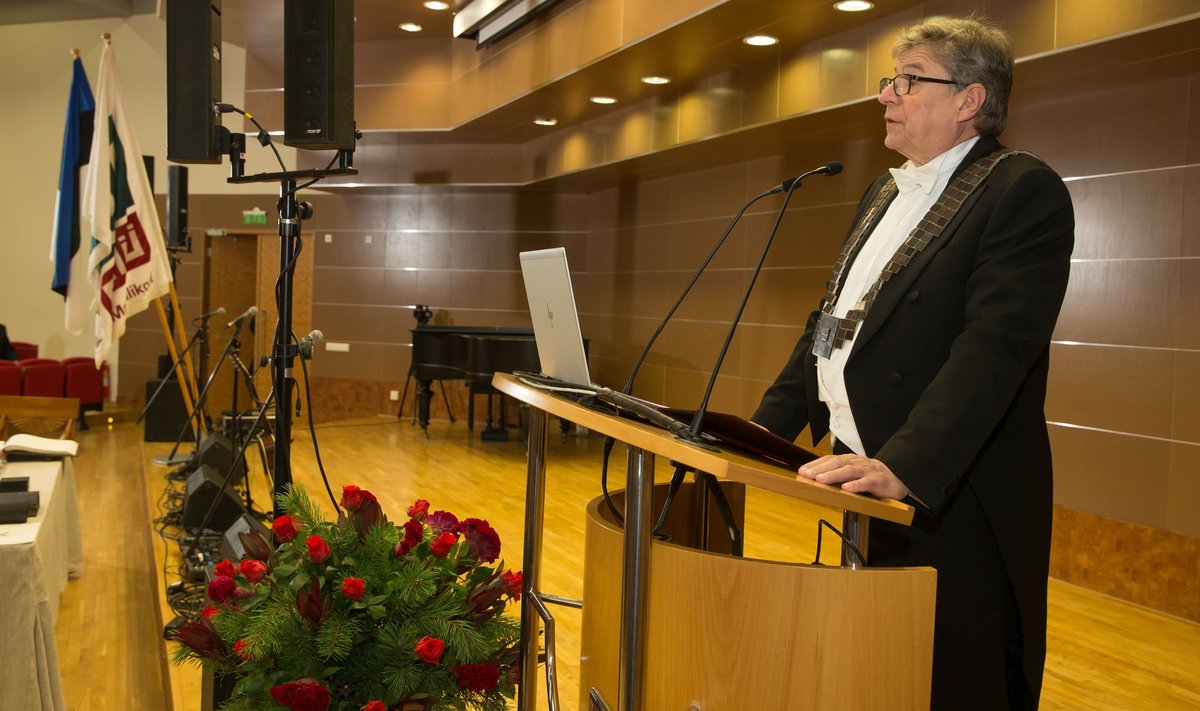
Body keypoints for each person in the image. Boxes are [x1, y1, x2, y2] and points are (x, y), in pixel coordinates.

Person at [751, 16, 1074, 710]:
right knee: (874, 676)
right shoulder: (882, 191)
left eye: (909, 80)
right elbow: (830, 325)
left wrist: (907, 464)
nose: (887, 95)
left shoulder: (1022, 189)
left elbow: (995, 347)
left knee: (953, 678)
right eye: (888, 80)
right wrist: (755, 435)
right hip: (864, 479)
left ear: (969, 100)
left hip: (950, 491)